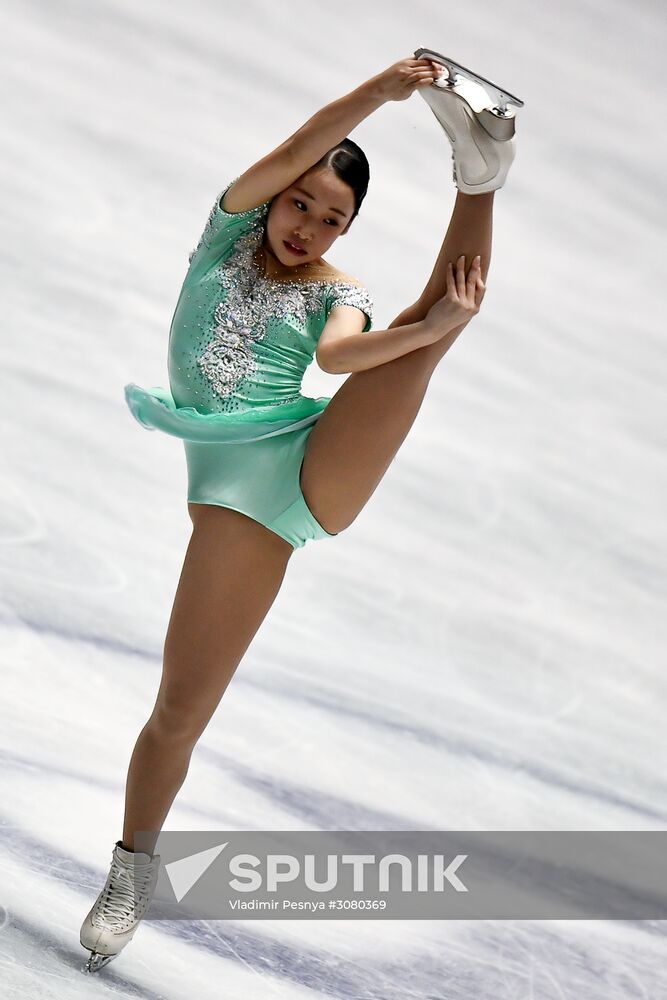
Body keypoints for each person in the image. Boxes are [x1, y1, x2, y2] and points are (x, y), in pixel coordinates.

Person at [80, 51, 522, 972]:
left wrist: (430, 328)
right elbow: (294, 148)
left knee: (419, 349)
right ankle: (133, 868)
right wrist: (380, 93)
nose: (308, 223)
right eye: (302, 201)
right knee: (179, 709)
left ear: (347, 228)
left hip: (309, 467)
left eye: (333, 217)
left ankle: (478, 178)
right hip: (236, 497)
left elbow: (342, 360)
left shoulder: (338, 291)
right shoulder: (225, 231)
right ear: (276, 194)